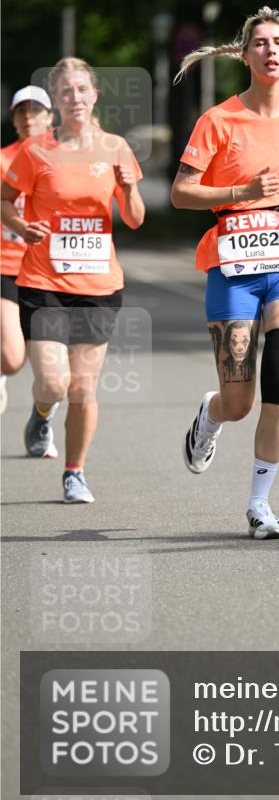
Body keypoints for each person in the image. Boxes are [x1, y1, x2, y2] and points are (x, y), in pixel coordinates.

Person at [171, 5, 279, 539]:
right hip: (233, 264)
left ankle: (260, 505)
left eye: (278, 43)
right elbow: (180, 193)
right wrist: (241, 192)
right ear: (245, 55)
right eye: (260, 43)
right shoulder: (218, 120)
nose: (270, 51)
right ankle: (211, 414)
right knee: (239, 401)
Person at [0, 57, 145, 502]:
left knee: (82, 387)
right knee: (53, 382)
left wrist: (130, 189)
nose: (75, 98)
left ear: (94, 94)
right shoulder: (35, 150)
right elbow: (5, 201)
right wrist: (23, 228)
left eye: (82, 89)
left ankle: (74, 472)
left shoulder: (116, 147)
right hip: (44, 281)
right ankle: (42, 412)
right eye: (66, 92)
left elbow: (135, 220)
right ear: (56, 101)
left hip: (99, 286)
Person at [1, 86, 54, 416]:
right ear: (13, 118)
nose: (28, 116)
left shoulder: (62, 161)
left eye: (35, 110)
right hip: (6, 264)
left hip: (48, 270)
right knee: (11, 356)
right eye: (21, 110)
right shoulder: (3, 159)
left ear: (50, 117)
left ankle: (43, 417)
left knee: (50, 369)